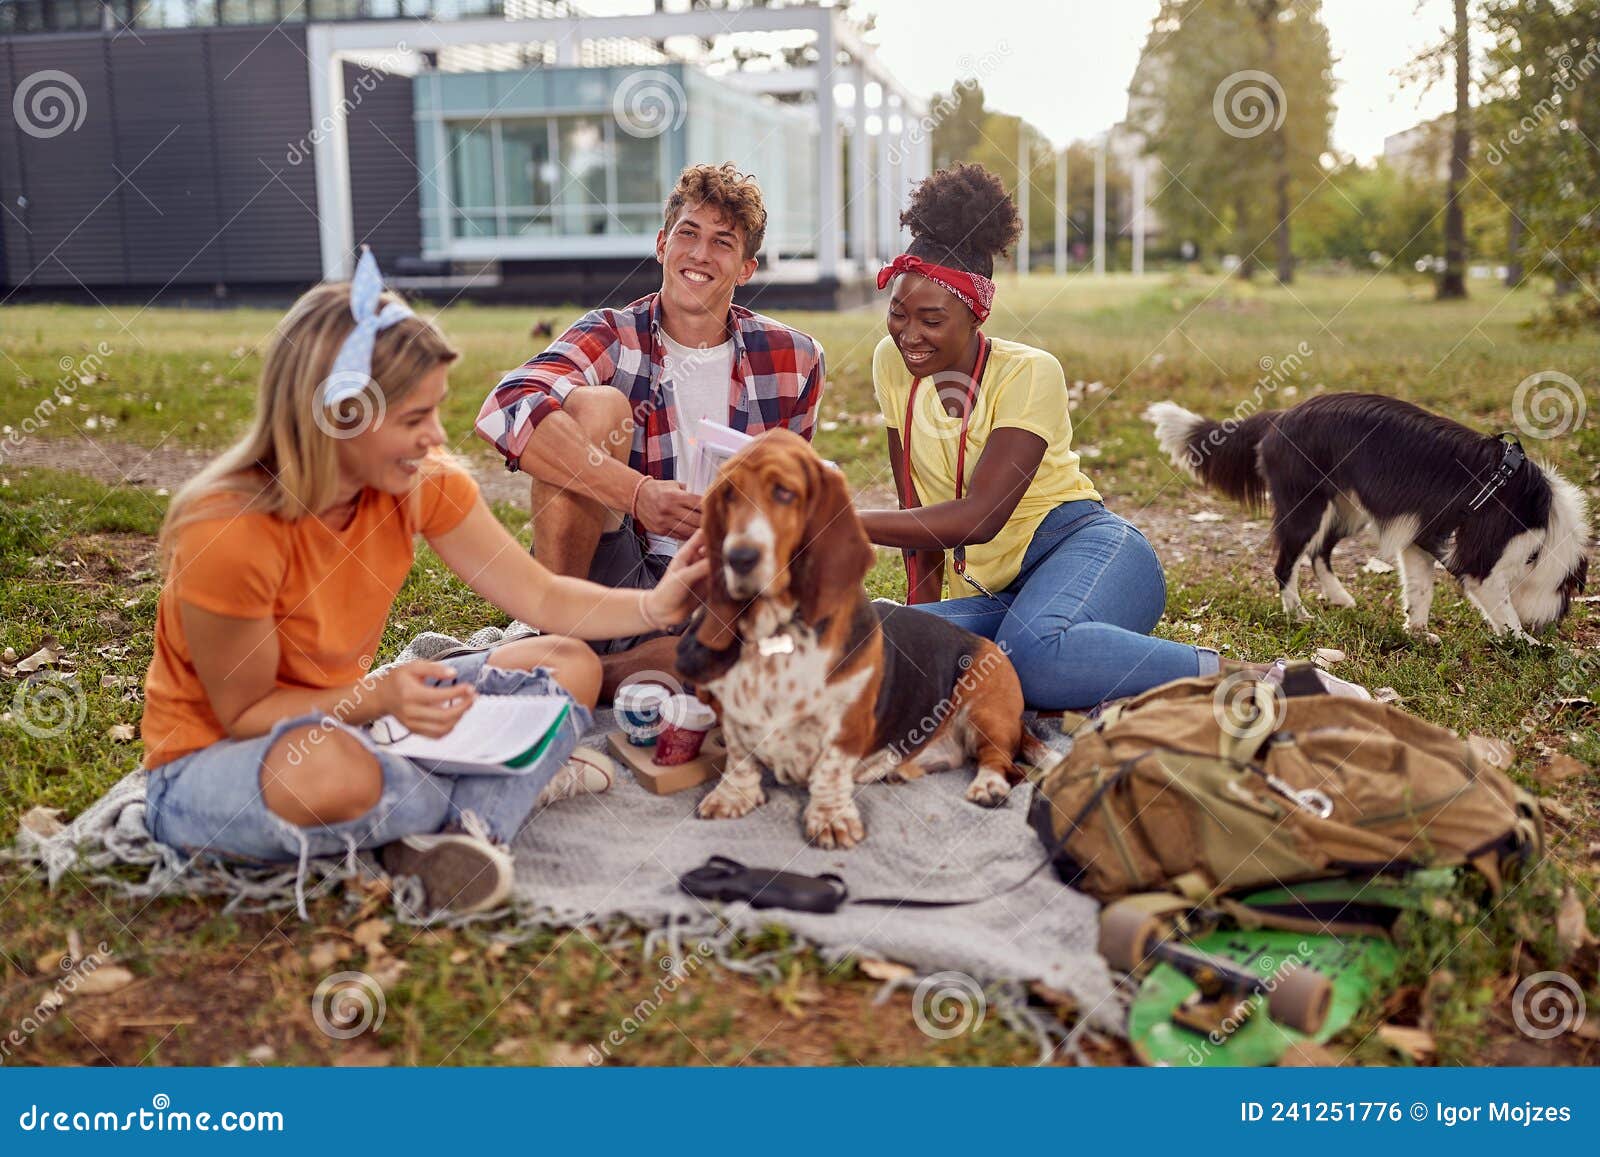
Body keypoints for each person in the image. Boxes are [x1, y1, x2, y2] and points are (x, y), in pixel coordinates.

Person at [140, 250, 708, 918]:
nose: (436, 436)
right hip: (222, 762)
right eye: (415, 419)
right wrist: (377, 696)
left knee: (569, 662)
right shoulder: (229, 531)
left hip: (363, 723)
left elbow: (543, 597)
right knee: (337, 772)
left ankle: (455, 826)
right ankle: (493, 802)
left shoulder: (419, 480)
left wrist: (652, 602)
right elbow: (246, 714)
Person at [858, 164, 1235, 711]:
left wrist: (837, 523)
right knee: (874, 634)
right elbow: (916, 515)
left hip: (1088, 551)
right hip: (998, 597)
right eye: (898, 313)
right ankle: (1075, 653)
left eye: (931, 319)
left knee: (1036, 659)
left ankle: (1256, 677)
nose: (909, 335)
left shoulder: (1030, 372)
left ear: (974, 314)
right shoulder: (891, 365)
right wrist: (921, 628)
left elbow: (979, 518)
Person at [474, 163, 825, 695]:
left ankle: (582, 676)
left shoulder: (795, 359)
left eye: (722, 242)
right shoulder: (612, 332)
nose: (700, 254)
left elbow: (792, 504)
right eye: (688, 233)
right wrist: (638, 495)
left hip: (715, 582)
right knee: (596, 408)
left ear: (747, 267)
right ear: (663, 244)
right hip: (613, 564)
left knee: (772, 632)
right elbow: (507, 404)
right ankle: (564, 639)